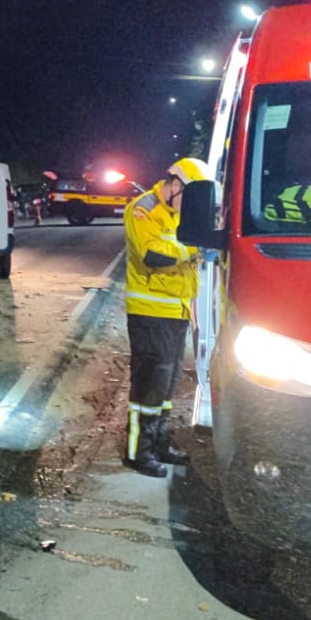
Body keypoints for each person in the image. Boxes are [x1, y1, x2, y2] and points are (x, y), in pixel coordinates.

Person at [121, 156, 209, 477]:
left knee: (167, 385)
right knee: (148, 387)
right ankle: (137, 452)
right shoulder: (144, 209)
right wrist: (194, 249)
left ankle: (159, 442)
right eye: (190, 195)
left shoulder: (176, 214)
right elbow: (153, 254)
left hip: (176, 311)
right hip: (150, 313)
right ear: (174, 184)